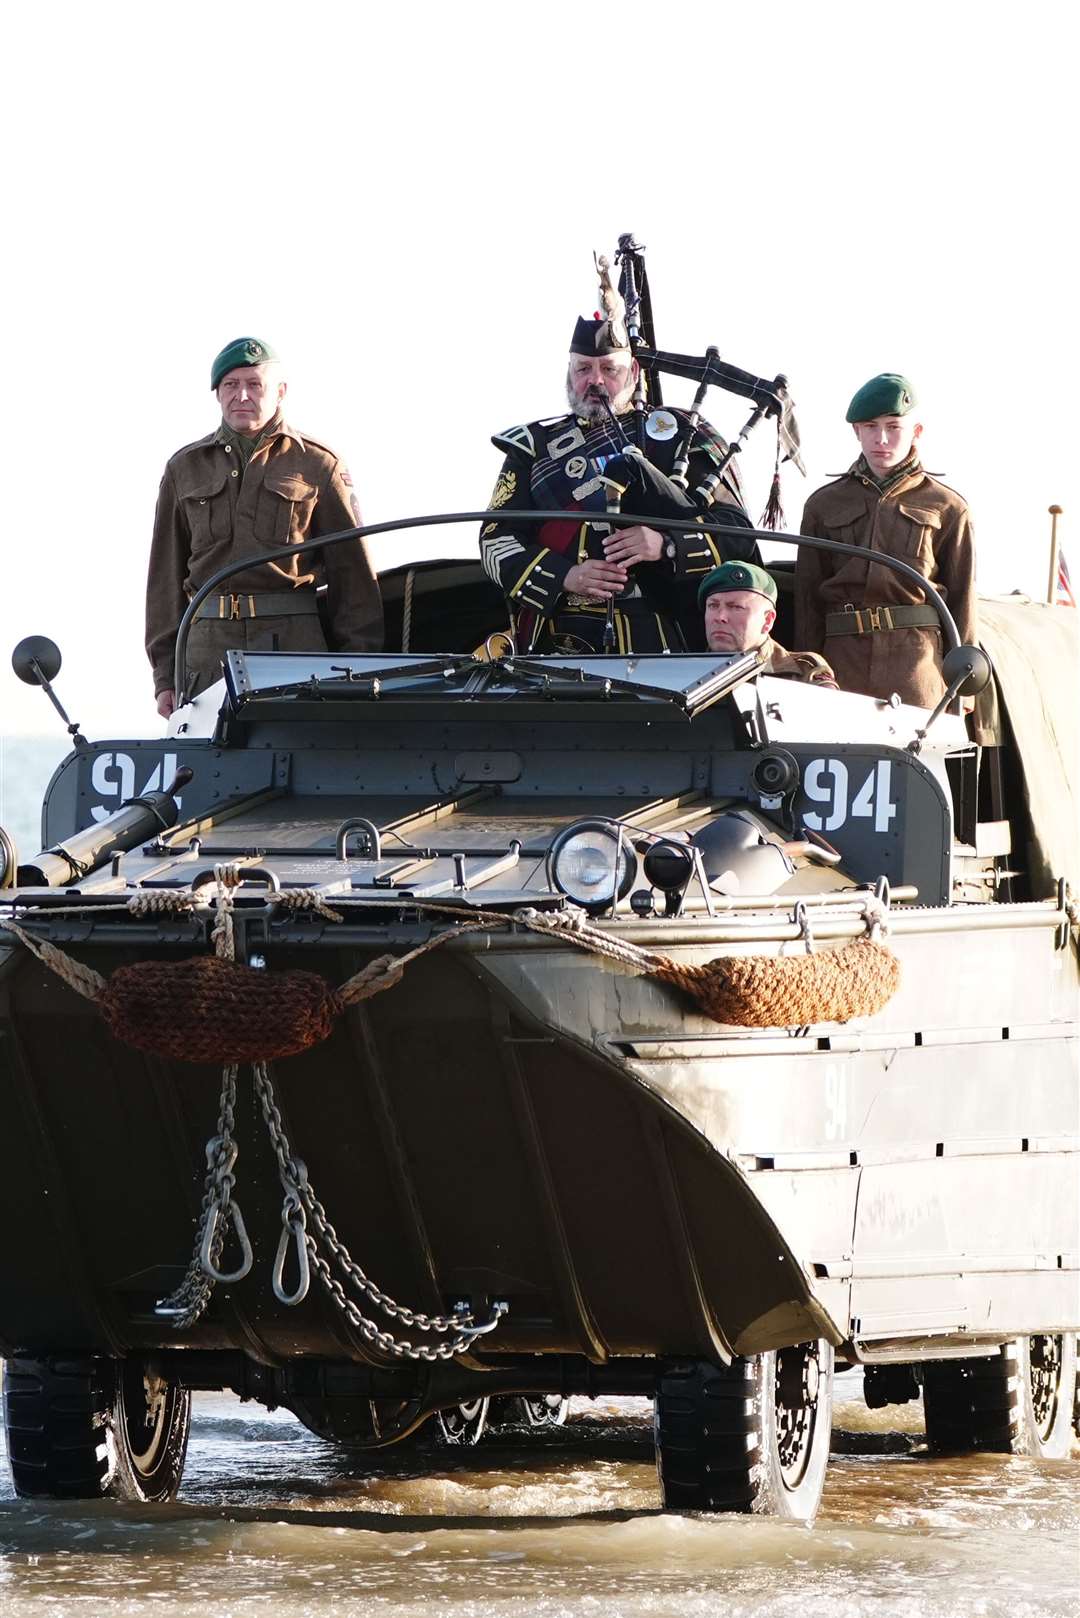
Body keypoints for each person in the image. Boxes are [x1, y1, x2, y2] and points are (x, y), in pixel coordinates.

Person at [479, 296, 758, 654]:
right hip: (556, 634)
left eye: (609, 369)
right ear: (570, 373)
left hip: (666, 634)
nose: (595, 380)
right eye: (583, 369)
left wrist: (666, 544)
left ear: (635, 372)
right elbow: (496, 540)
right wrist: (565, 575)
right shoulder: (535, 445)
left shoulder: (682, 435)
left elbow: (737, 534)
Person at [146, 337, 382, 716]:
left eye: (254, 385)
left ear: (280, 392)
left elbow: (353, 579)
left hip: (293, 646)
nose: (242, 395)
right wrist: (164, 677)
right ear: (217, 394)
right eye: (230, 385)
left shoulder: (320, 466)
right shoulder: (184, 469)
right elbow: (164, 580)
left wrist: (355, 670)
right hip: (207, 651)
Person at [795, 374, 976, 707]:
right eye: (869, 427)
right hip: (840, 664)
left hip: (916, 664)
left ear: (916, 432)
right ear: (856, 432)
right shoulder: (823, 505)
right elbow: (808, 597)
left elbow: (962, 599)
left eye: (894, 427)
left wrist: (962, 685)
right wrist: (806, 672)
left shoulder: (948, 506)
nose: (881, 439)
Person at [700, 561, 837, 684]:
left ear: (767, 620)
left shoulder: (805, 671)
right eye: (713, 606)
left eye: (736, 607)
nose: (720, 617)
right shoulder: (684, 674)